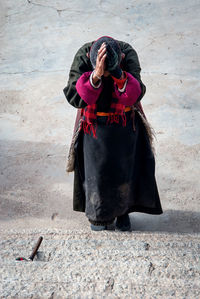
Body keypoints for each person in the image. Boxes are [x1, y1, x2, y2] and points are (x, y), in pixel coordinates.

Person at [63, 36, 163, 231]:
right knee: (97, 173)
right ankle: (98, 216)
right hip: (93, 126)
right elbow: (74, 95)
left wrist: (118, 72)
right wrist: (95, 76)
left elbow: (136, 92)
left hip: (124, 123)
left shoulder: (128, 54)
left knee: (124, 171)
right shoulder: (84, 56)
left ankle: (123, 213)